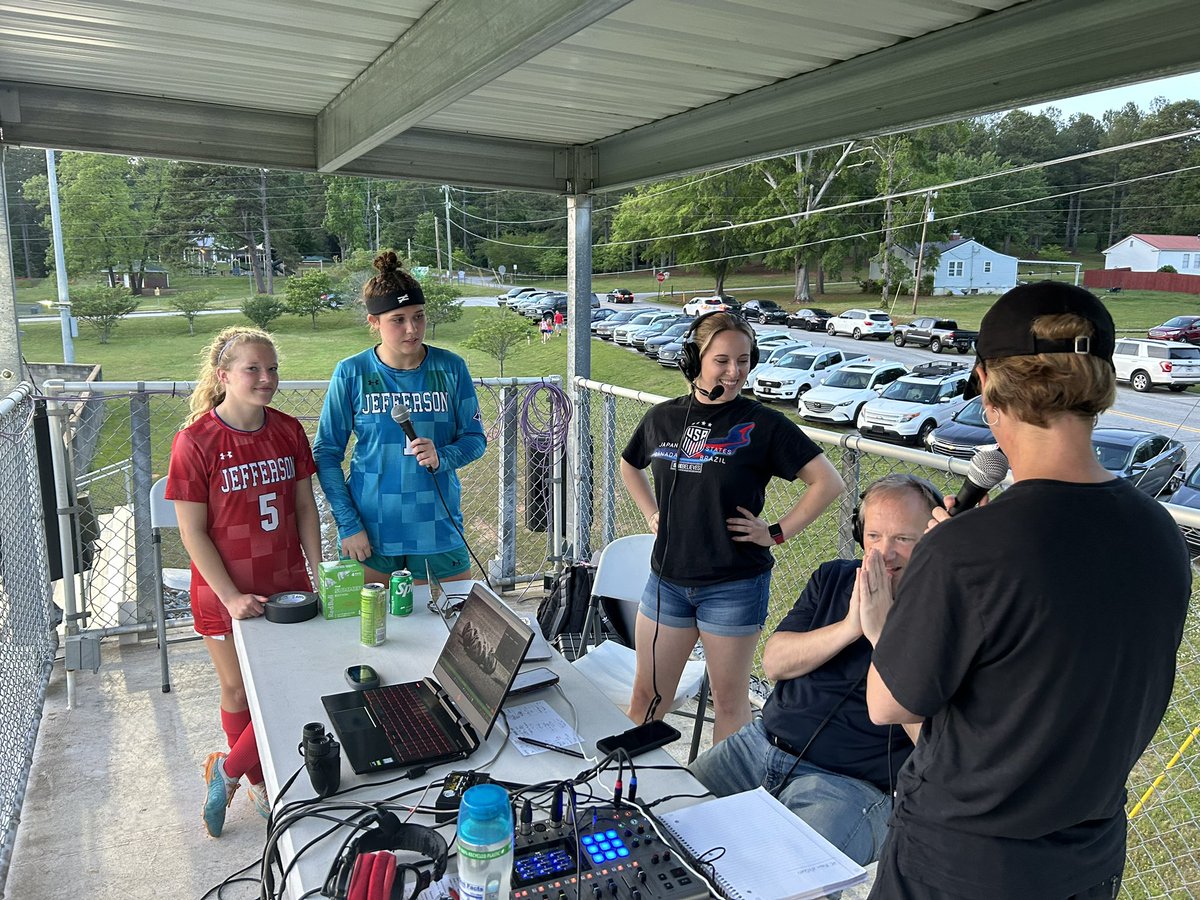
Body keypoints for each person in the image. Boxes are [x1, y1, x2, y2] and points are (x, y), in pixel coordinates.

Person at [860, 282, 1191, 899]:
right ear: (1099, 383)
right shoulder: (1160, 533)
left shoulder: (965, 550)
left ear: (986, 383)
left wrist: (886, 625)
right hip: (1087, 859)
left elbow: (888, 705)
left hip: (961, 865)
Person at [688, 474, 939, 865]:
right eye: (874, 536)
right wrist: (849, 627)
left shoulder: (949, 612)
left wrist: (882, 636)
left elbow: (933, 742)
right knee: (662, 820)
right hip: (758, 746)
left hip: (851, 787)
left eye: (903, 540)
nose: (884, 553)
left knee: (793, 879)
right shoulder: (834, 577)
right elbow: (774, 662)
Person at [620, 311, 844, 742]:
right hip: (667, 582)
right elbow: (631, 465)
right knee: (647, 697)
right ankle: (628, 792)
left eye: (743, 360)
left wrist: (775, 532)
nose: (734, 371)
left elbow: (828, 482)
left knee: (728, 703)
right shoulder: (664, 418)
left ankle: (722, 803)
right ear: (694, 360)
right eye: (722, 360)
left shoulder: (764, 424)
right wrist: (652, 512)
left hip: (733, 585)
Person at [166, 326, 322, 837]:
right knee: (237, 688)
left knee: (290, 686)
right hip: (224, 589)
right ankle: (258, 780)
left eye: (271, 368)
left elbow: (303, 507)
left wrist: (317, 571)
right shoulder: (195, 441)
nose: (265, 378)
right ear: (223, 376)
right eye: (252, 368)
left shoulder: (288, 430)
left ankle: (228, 770)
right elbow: (191, 531)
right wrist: (230, 595)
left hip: (285, 583)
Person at [314, 251, 487, 586]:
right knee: (368, 631)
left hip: (437, 528)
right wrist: (349, 524)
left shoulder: (451, 368)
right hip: (371, 532)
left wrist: (443, 455)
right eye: (398, 319)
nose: (412, 329)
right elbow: (327, 454)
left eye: (419, 316)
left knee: (447, 631)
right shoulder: (352, 373)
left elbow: (475, 438)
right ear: (374, 322)